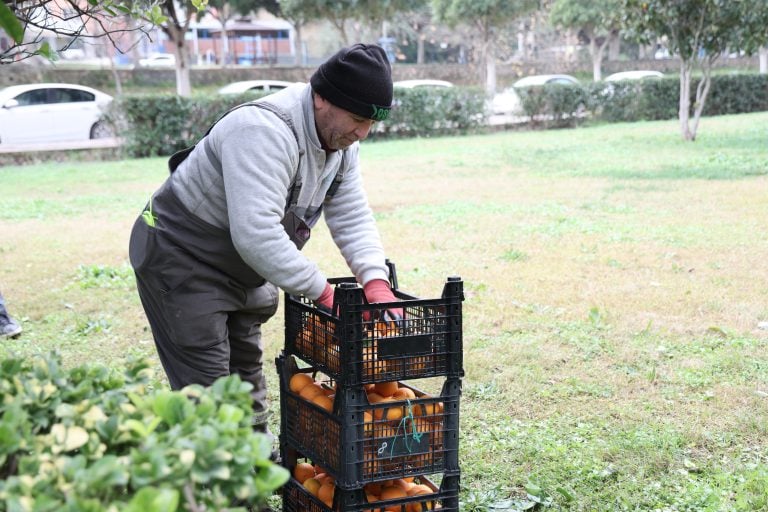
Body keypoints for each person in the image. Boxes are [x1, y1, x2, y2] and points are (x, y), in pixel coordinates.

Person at [128, 43, 400, 439]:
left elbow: (351, 214)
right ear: (321, 97)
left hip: (243, 267)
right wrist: (324, 294)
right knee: (207, 388)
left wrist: (375, 282)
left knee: (246, 375)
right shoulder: (262, 130)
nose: (363, 133)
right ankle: (218, 470)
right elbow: (257, 233)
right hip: (182, 255)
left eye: (371, 122)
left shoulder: (343, 145)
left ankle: (257, 461)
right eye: (357, 119)